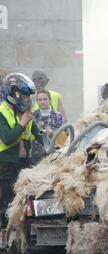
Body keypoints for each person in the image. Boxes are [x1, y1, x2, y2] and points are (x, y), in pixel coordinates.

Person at [0, 73, 43, 229]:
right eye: (23, 95)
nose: (26, 99)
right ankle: (4, 240)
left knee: (24, 202)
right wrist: (22, 124)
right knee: (7, 202)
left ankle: (18, 241)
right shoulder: (1, 111)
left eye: (27, 96)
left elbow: (38, 134)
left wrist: (51, 149)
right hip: (5, 164)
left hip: (24, 163)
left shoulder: (24, 112)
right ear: (12, 93)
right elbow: (7, 138)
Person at [31, 90, 65, 164]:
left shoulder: (57, 115)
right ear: (37, 101)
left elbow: (62, 133)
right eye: (40, 100)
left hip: (54, 154)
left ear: (50, 100)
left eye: (45, 99)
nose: (42, 102)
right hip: (37, 154)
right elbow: (32, 134)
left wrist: (48, 129)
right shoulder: (33, 116)